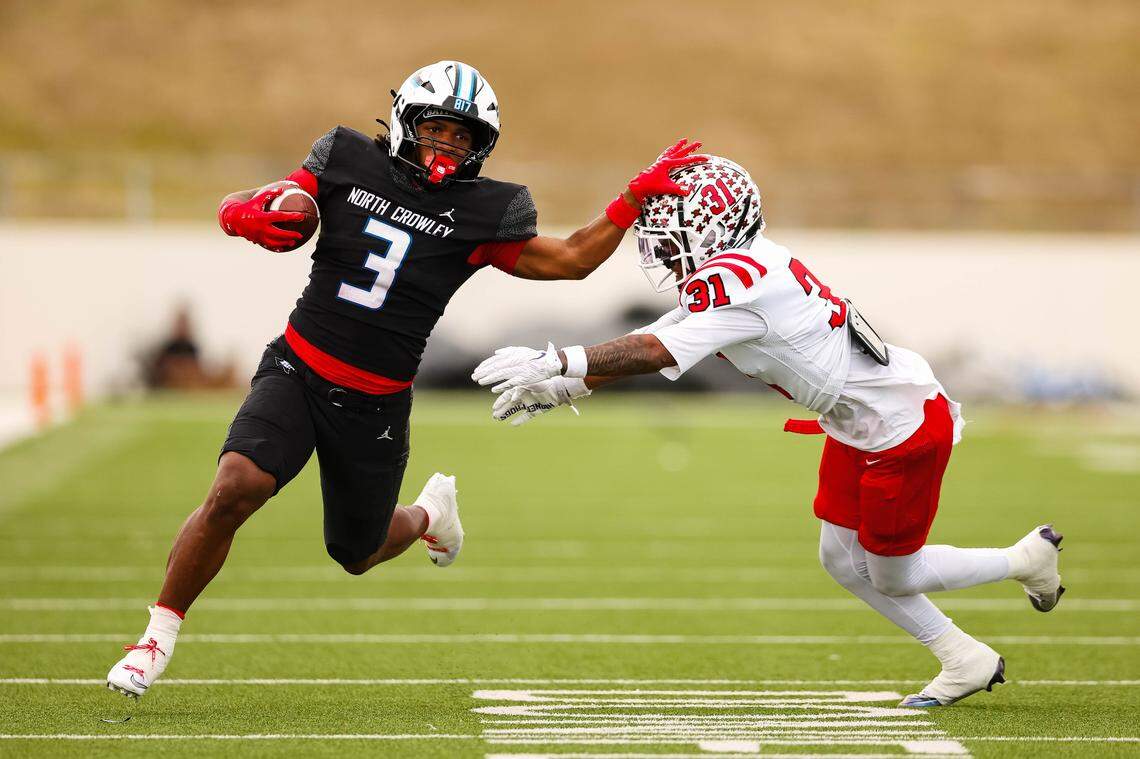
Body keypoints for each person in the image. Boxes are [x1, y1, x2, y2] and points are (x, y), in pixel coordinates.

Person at [105, 59, 705, 699]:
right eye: (437, 129)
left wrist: (632, 198)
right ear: (406, 122)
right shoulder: (345, 157)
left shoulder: (485, 210)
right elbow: (285, 198)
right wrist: (238, 212)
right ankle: (155, 638)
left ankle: (426, 515)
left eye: (463, 137)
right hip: (299, 365)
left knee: (357, 552)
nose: (448, 145)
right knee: (236, 484)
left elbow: (571, 259)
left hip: (375, 402)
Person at [472, 155, 1066, 708]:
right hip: (857, 420)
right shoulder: (744, 264)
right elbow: (666, 333)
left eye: (673, 227)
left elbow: (652, 349)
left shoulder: (736, 279)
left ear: (713, 224)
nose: (660, 242)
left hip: (900, 427)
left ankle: (1024, 560)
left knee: (893, 572)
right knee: (840, 559)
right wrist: (570, 384)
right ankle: (962, 655)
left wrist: (559, 363)